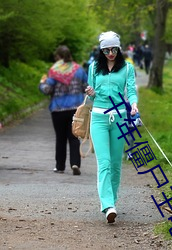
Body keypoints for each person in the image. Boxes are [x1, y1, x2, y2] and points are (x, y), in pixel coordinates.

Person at [85, 31, 138, 223]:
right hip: (98, 118)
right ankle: (107, 205)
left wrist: (133, 104)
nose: (110, 53)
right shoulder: (93, 68)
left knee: (116, 164)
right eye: (106, 50)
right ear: (101, 50)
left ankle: (112, 202)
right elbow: (91, 96)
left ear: (119, 48)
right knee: (104, 163)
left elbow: (131, 90)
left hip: (120, 119)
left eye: (114, 49)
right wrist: (90, 92)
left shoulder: (127, 68)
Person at [39, 45, 88, 175]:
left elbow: (47, 90)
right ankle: (75, 163)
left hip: (58, 109)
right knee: (74, 137)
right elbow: (86, 87)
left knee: (60, 138)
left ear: (58, 57)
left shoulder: (54, 71)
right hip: (75, 109)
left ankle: (60, 166)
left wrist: (42, 83)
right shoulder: (79, 70)